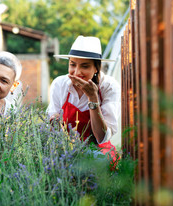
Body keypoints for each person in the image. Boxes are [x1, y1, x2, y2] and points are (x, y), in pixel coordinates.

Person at [46, 36, 121, 166]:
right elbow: (53, 128)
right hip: (67, 150)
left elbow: (102, 137)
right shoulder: (60, 84)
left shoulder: (109, 86)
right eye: (72, 65)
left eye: (85, 66)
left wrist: (93, 98)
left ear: (97, 68)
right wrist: (54, 120)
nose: (77, 72)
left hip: (98, 152)